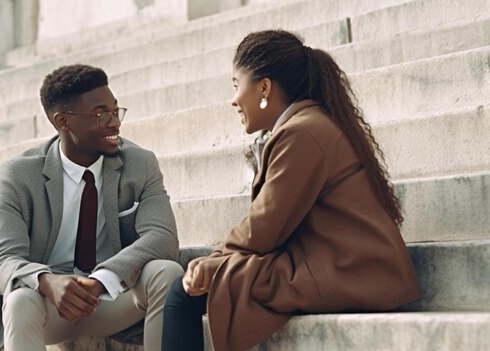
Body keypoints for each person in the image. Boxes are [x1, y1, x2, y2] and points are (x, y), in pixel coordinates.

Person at [161, 30, 422, 351]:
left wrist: (214, 261)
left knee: (183, 293)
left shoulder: (302, 132)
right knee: (201, 283)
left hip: (349, 270)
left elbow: (266, 228)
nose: (233, 99)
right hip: (347, 265)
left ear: (264, 87)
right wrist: (218, 260)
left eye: (235, 85)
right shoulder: (306, 124)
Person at [0, 64, 183, 351]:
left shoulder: (140, 162)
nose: (115, 123)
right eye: (101, 115)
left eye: (115, 110)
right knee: (19, 300)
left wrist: (102, 279)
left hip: (113, 295)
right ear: (63, 122)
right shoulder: (18, 175)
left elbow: (162, 236)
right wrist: (47, 282)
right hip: (48, 305)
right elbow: (2, 260)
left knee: (166, 272)